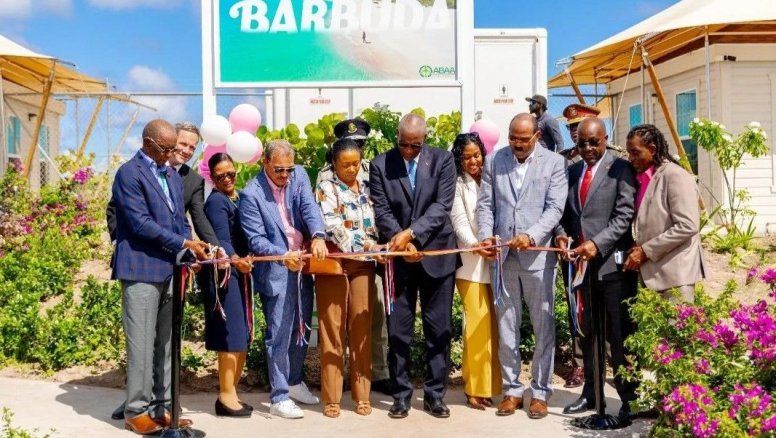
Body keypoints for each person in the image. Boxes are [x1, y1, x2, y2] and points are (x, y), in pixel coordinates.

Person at [107, 122, 220, 421]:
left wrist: (188, 250)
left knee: (166, 345)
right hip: (141, 268)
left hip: (170, 269)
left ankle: (163, 408)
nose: (173, 154)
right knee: (142, 345)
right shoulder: (128, 174)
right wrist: (184, 242)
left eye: (175, 148)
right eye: (166, 149)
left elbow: (178, 219)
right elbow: (139, 223)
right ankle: (136, 411)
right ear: (148, 143)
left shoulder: (170, 173)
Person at [476, 113, 567, 420]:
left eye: (523, 140)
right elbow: (486, 205)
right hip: (503, 259)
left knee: (543, 325)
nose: (516, 144)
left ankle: (540, 392)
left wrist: (532, 235)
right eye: (512, 138)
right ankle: (512, 390)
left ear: (537, 137)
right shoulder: (495, 161)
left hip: (538, 259)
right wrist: (486, 237)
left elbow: (555, 207)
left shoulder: (554, 163)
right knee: (506, 327)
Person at [369, 114, 459, 419]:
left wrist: (413, 234)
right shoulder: (380, 164)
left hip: (437, 256)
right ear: (397, 136)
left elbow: (441, 206)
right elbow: (381, 210)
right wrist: (401, 242)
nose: (408, 150)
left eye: (415, 145)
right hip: (399, 260)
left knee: (439, 330)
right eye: (404, 144)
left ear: (425, 138)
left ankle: (435, 395)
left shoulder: (444, 160)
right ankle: (401, 395)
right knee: (398, 332)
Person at [555, 118, 639, 420]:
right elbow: (564, 214)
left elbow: (624, 215)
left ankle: (629, 397)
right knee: (589, 334)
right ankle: (591, 393)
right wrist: (562, 235)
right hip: (583, 271)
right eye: (582, 143)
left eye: (595, 142)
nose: (588, 149)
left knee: (619, 335)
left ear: (606, 139)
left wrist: (596, 244)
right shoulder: (573, 170)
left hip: (612, 268)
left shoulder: (621, 169)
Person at [240, 139, 327, 419]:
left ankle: (293, 381)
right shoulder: (251, 194)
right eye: (279, 170)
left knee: (302, 326)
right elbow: (256, 239)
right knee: (278, 332)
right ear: (265, 163)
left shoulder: (298, 175)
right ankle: (278, 397)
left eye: (289, 169)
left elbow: (309, 207)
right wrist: (282, 254)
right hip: (277, 268)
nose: (286, 176)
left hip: (302, 263)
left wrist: (318, 235)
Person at [318, 118, 393, 397]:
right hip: (341, 261)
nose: (353, 166)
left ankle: (372, 379)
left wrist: (382, 246)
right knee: (334, 328)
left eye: (360, 148)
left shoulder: (369, 177)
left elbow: (376, 216)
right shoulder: (326, 180)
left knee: (368, 322)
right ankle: (335, 391)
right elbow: (333, 225)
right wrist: (369, 248)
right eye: (347, 159)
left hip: (369, 262)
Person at [623, 124, 706, 302]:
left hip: (676, 276)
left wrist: (646, 250)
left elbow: (688, 225)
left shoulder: (675, 176)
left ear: (652, 149)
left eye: (635, 152)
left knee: (676, 329)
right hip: (655, 274)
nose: (631, 158)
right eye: (629, 153)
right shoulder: (646, 177)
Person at [450, 132, 501, 410]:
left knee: (494, 327)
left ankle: (492, 387)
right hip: (470, 265)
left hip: (497, 264)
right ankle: (474, 388)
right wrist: (475, 245)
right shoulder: (457, 185)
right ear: (459, 159)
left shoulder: (493, 180)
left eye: (477, 155)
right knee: (477, 326)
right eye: (467, 156)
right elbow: (458, 221)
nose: (473, 161)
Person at [107, 122, 218, 246]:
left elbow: (199, 218)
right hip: (136, 248)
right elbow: (115, 208)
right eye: (183, 144)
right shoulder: (138, 169)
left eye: (192, 147)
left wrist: (216, 248)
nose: (187, 151)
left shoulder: (195, 180)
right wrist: (117, 242)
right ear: (172, 140)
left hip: (171, 249)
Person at [203, 152, 254, 417]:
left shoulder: (238, 197)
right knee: (230, 337)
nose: (227, 179)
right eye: (220, 175)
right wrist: (236, 260)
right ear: (212, 178)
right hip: (225, 275)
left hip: (239, 272)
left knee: (241, 337)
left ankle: (232, 392)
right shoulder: (216, 202)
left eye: (230, 173)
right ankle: (225, 395)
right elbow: (222, 239)